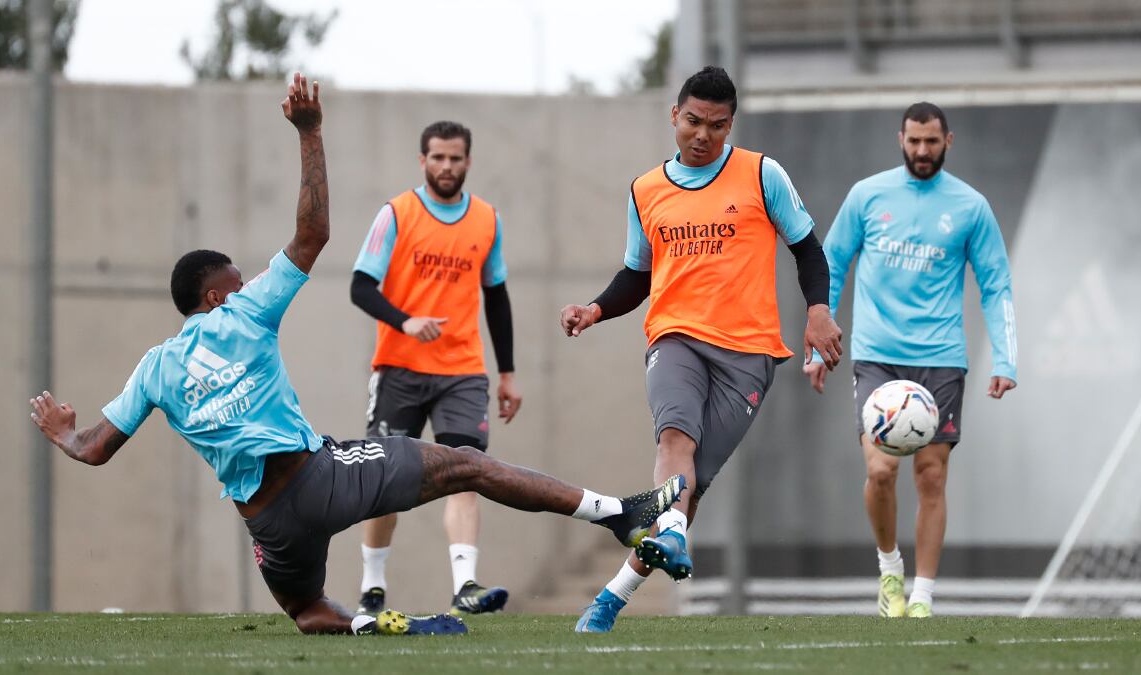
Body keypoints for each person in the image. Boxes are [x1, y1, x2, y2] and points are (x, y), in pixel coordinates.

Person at [28, 73, 686, 636]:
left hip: (268, 527)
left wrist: (61, 433)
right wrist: (310, 132)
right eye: (234, 278)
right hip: (322, 477)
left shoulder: (154, 368)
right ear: (213, 293)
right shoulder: (245, 309)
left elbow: (93, 448)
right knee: (466, 464)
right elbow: (313, 234)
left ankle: (368, 619)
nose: (245, 282)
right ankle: (617, 512)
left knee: (308, 609)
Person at [560, 66, 843, 633]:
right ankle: (653, 554)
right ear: (674, 116)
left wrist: (818, 311)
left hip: (749, 353)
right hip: (675, 337)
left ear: (730, 124)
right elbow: (637, 276)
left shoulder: (762, 174)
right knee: (675, 438)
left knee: (685, 496)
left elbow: (808, 251)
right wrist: (595, 309)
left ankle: (612, 598)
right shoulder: (646, 190)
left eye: (716, 125)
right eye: (692, 121)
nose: (702, 135)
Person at [803, 102, 1018, 618]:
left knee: (931, 476)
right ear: (900, 138)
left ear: (949, 141)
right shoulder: (867, 195)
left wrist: (1005, 360)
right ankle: (889, 569)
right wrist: (817, 347)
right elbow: (829, 268)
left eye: (932, 142)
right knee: (880, 471)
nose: (923, 151)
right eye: (914, 141)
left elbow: (996, 285)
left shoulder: (970, 207)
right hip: (877, 355)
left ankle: (922, 595)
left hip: (941, 360)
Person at [349, 120, 521, 617]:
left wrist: (507, 373)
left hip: (463, 369)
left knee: (465, 470)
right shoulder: (396, 214)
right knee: (385, 482)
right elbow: (361, 287)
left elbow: (497, 296)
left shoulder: (487, 219)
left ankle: (465, 585)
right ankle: (372, 585)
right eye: (438, 158)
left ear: (468, 161)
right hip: (400, 367)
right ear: (422, 161)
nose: (447, 167)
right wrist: (406, 321)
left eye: (456, 158)